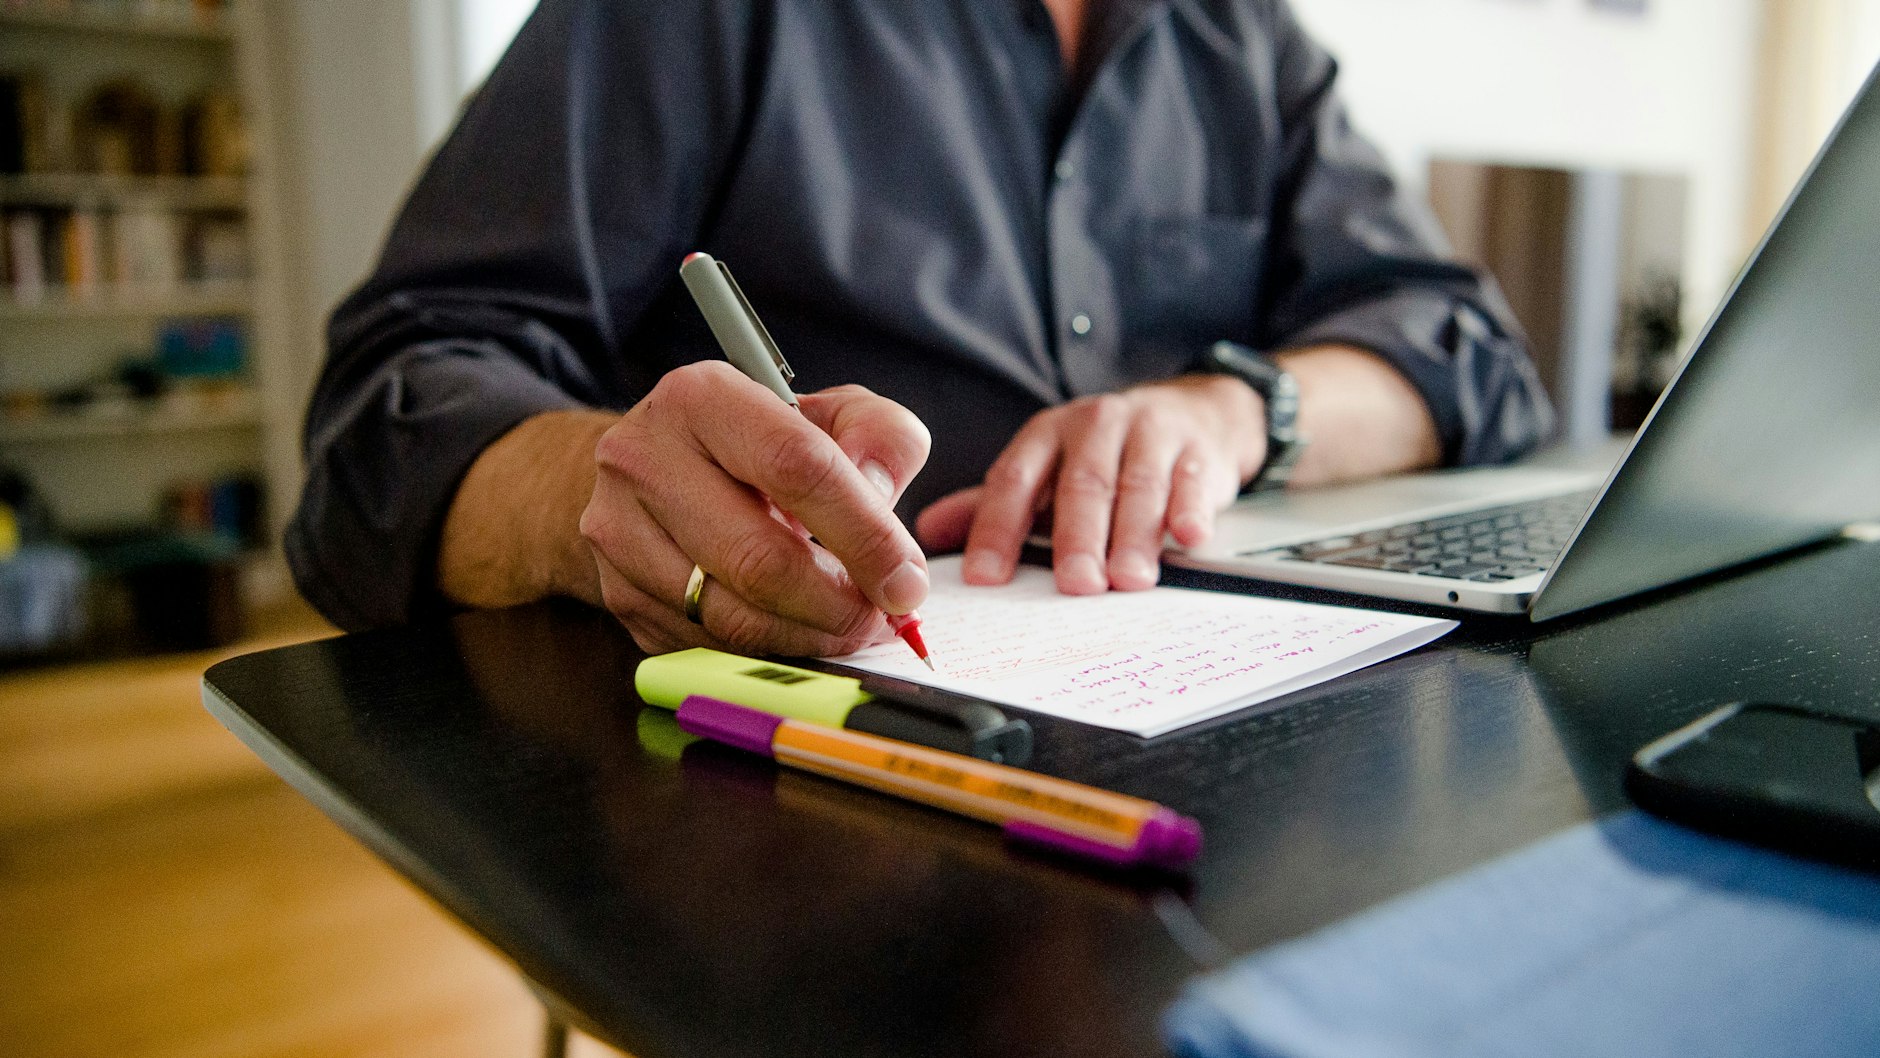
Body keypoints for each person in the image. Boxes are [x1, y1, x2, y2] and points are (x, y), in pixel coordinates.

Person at [287, 0, 1552, 657]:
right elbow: (386, 413)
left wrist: (1231, 413)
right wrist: (595, 493)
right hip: (795, 805)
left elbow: (1462, 347)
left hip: (1224, 733)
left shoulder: (1241, 36)